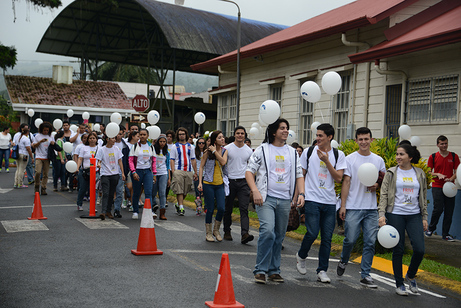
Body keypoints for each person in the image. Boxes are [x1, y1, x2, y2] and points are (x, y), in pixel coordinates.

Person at [246, 119, 305, 284]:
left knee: (279, 236)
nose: (286, 131)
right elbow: (249, 172)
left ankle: (274, 270)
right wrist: (255, 191)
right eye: (282, 128)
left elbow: (299, 174)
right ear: (273, 132)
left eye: (287, 128)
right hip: (266, 198)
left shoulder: (292, 153)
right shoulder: (262, 150)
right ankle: (260, 270)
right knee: (267, 231)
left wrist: (302, 194)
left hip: (285, 200)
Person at [296, 123, 346, 283]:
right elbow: (301, 175)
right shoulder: (308, 152)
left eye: (320, 136)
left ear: (329, 137)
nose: (317, 138)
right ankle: (301, 255)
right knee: (311, 232)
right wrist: (299, 195)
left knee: (327, 238)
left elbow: (339, 178)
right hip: (311, 199)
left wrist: (326, 161)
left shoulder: (339, 155)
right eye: (316, 135)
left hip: (330, 201)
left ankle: (322, 270)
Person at [336, 127, 386, 288]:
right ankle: (344, 259)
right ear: (356, 141)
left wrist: (377, 184)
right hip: (353, 206)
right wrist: (343, 206)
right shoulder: (350, 159)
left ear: (372, 140)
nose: (364, 142)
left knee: (370, 241)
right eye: (361, 139)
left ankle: (365, 275)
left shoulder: (378, 160)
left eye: (366, 139)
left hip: (371, 208)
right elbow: (346, 182)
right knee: (350, 239)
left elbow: (384, 182)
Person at [379, 143, 427, 296]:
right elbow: (384, 194)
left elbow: (423, 197)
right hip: (396, 214)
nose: (398, 157)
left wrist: (424, 217)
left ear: (410, 157)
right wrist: (381, 214)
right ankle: (399, 284)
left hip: (414, 215)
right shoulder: (391, 173)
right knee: (398, 249)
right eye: (397, 154)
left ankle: (411, 275)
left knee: (419, 249)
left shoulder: (419, 173)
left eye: (401, 154)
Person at [223, 126, 254, 244]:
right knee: (228, 208)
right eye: (238, 133)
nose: (240, 135)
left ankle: (244, 234)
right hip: (230, 181)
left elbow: (252, 168)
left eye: (242, 133)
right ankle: (227, 231)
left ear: (245, 135)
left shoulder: (248, 150)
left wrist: (252, 185)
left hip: (243, 182)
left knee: (244, 208)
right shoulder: (227, 148)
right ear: (234, 135)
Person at [425, 135, 459, 241]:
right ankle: (431, 229)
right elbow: (429, 171)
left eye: (446, 143)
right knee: (438, 209)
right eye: (442, 144)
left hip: (450, 187)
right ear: (437, 145)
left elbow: (457, 171)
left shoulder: (454, 156)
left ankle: (446, 234)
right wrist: (438, 174)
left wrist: (451, 178)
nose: (444, 145)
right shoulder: (433, 156)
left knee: (449, 211)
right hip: (437, 186)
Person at [198, 130, 228, 242]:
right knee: (210, 209)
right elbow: (201, 167)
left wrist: (215, 151)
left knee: (221, 208)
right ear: (215, 140)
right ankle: (209, 233)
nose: (222, 139)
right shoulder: (207, 152)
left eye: (223, 137)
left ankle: (216, 229)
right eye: (220, 137)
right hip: (208, 183)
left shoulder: (224, 151)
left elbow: (223, 162)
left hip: (220, 183)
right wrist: (200, 182)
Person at [128, 128, 157, 220]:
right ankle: (135, 211)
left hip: (147, 172)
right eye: (141, 134)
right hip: (138, 171)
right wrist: (133, 172)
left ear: (148, 136)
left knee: (149, 192)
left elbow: (154, 161)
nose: (142, 136)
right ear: (139, 136)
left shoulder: (151, 147)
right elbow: (131, 160)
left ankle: (149, 211)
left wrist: (154, 173)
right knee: (136, 192)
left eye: (144, 135)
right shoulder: (135, 146)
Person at [170, 127, 197, 216]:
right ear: (178, 135)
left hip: (189, 170)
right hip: (178, 170)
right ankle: (181, 207)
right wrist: (173, 170)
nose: (182, 136)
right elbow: (172, 159)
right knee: (179, 189)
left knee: (186, 189)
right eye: (180, 134)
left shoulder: (191, 147)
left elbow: (193, 159)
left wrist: (195, 172)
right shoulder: (175, 146)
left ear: (186, 135)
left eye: (183, 134)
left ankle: (178, 204)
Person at [96, 136, 125, 220]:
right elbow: (99, 160)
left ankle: (108, 211)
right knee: (106, 193)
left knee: (111, 193)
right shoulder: (102, 149)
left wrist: (122, 173)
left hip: (115, 174)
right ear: (107, 139)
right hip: (105, 174)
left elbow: (120, 161)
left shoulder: (116, 149)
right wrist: (99, 164)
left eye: (114, 139)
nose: (114, 140)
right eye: (112, 139)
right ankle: (103, 212)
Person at [76, 132, 99, 211]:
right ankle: (79, 204)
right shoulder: (84, 148)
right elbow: (80, 158)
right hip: (85, 171)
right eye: (90, 138)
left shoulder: (99, 148)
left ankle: (93, 206)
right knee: (83, 188)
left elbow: (101, 159)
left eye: (93, 138)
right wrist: (77, 167)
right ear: (88, 140)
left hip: (95, 171)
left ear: (96, 139)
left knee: (94, 189)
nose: (92, 140)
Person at [32, 121, 55, 195]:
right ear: (41, 129)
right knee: (38, 172)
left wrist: (53, 143)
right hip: (39, 156)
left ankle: (43, 188)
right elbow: (34, 146)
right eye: (44, 130)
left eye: (47, 130)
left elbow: (54, 145)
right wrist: (40, 142)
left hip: (47, 157)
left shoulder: (51, 136)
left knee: (46, 174)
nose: (45, 132)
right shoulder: (37, 136)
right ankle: (36, 186)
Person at [152, 134, 170, 220]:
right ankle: (152, 208)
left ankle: (162, 212)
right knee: (153, 192)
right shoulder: (153, 151)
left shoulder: (167, 153)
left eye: (164, 141)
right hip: (154, 174)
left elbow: (168, 166)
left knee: (162, 193)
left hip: (163, 173)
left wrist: (169, 178)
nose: (162, 143)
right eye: (160, 141)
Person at [114, 126, 128, 218]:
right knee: (109, 192)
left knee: (119, 191)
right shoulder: (110, 144)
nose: (119, 136)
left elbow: (125, 160)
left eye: (120, 134)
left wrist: (124, 172)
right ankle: (106, 209)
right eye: (117, 134)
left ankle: (117, 210)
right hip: (109, 172)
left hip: (120, 172)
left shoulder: (125, 145)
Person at [124, 131, 139, 210]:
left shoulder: (139, 145)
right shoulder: (127, 145)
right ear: (133, 136)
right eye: (137, 136)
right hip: (129, 167)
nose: (138, 138)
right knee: (129, 186)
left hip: (137, 168)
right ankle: (126, 198)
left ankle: (133, 204)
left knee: (134, 187)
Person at [194, 137, 206, 215]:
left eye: (203, 143)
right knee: (197, 192)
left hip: (206, 174)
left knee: (205, 192)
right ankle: (199, 207)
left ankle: (206, 207)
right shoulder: (194, 153)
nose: (201, 145)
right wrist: (194, 173)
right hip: (197, 174)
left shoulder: (207, 152)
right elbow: (193, 163)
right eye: (199, 143)